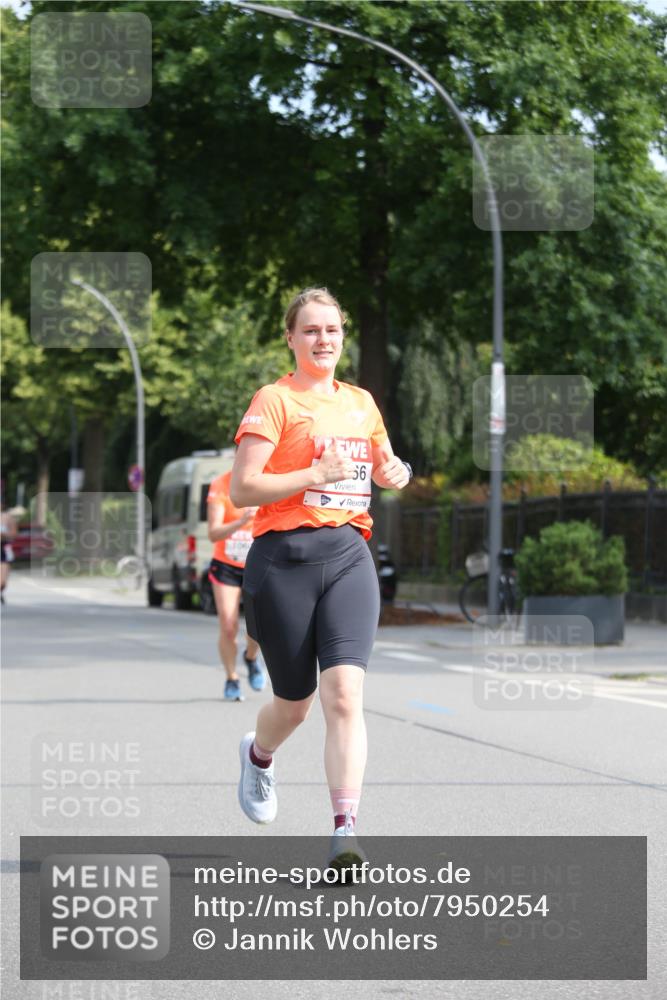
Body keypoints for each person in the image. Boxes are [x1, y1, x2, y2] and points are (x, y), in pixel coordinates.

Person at [230, 287, 411, 864]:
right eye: (310, 330)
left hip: (348, 553)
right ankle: (259, 756)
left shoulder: (360, 402)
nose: (323, 340)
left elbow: (383, 468)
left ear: (343, 336)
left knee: (344, 693)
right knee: (295, 703)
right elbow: (242, 489)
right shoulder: (274, 400)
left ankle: (345, 830)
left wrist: (395, 471)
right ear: (291, 338)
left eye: (331, 330)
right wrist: (312, 472)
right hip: (282, 560)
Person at [207, 469, 265, 700]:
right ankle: (231, 678)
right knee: (228, 625)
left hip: (258, 562)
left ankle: (251, 657)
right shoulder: (221, 485)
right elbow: (213, 533)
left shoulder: (268, 480)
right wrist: (241, 522)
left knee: (258, 625)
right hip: (226, 565)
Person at [1, 501, 18, 605]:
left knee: (2, 582)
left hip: (3, 549)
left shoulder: (8, 518)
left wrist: (4, 534)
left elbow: (14, 534)